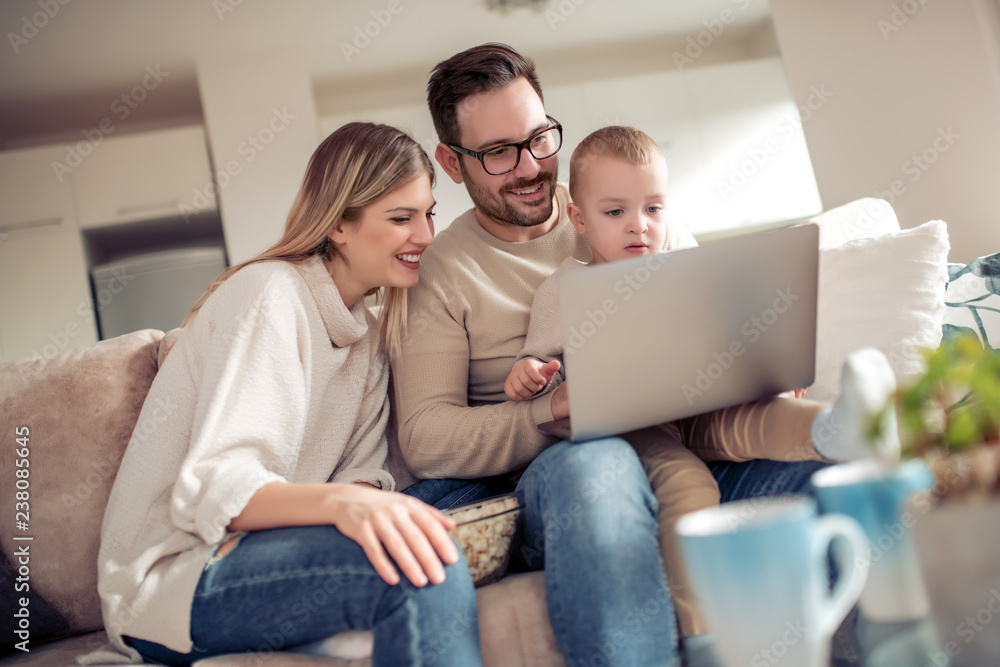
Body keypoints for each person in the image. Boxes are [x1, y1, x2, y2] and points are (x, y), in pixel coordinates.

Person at [84, 123, 483, 667]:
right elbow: (216, 489)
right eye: (401, 218)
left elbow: (358, 476)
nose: (426, 235)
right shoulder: (268, 295)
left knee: (471, 494)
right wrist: (347, 502)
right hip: (179, 576)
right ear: (341, 223)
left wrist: (363, 494)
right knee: (420, 564)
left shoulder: (365, 332)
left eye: (428, 213)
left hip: (274, 544)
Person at [504, 124, 901, 641]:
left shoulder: (683, 268)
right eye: (616, 211)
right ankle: (701, 635)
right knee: (689, 484)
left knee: (761, 417)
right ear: (578, 218)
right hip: (627, 432)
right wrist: (528, 374)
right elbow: (535, 364)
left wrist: (765, 374)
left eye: (653, 208)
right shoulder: (563, 288)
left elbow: (727, 342)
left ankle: (836, 429)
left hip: (696, 407)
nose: (639, 227)